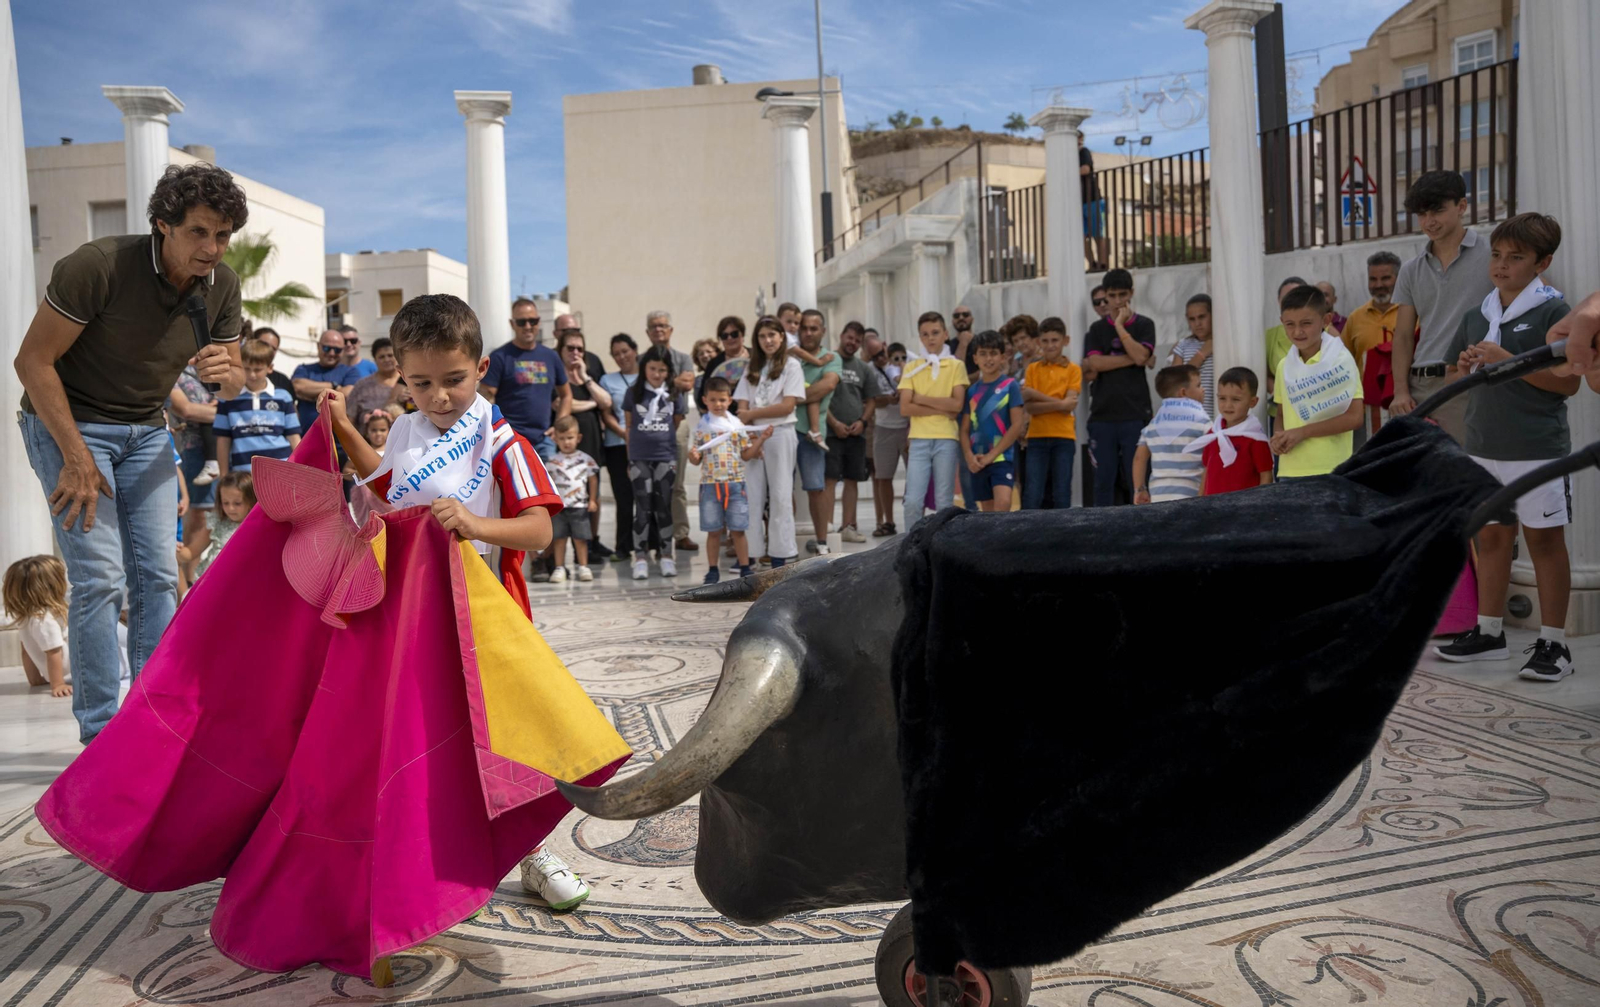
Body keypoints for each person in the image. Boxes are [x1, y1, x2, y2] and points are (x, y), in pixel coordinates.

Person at [321, 294, 593, 912]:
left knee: (508, 744)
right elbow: (387, 488)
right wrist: (340, 429)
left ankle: (534, 853)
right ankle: (422, 855)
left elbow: (539, 531)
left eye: (453, 380)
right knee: (426, 742)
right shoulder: (408, 433)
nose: (439, 396)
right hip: (418, 619)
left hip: (490, 620)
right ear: (400, 376)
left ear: (480, 367)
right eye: (421, 383)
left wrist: (476, 524)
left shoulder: (503, 441)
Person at [13, 162, 246, 742]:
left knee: (160, 575)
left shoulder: (223, 285)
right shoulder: (99, 266)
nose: (212, 248)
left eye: (222, 235)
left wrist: (230, 373)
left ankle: (151, 726)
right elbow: (32, 363)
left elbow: (235, 380)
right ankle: (100, 735)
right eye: (199, 231)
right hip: (68, 423)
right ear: (162, 224)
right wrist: (73, 454)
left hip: (145, 430)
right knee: (99, 579)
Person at [1433, 213, 1576, 683]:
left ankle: (1554, 643)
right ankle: (1489, 631)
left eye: (1516, 258)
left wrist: (1508, 362)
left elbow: (1568, 384)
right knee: (1491, 538)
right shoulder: (1481, 312)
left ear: (1543, 263)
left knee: (1544, 542)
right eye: (1497, 255)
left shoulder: (1556, 313)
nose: (1501, 265)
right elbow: (1460, 373)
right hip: (1482, 445)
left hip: (1536, 448)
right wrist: (1468, 363)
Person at [1389, 170, 1495, 441]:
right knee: (1420, 478)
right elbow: (1402, 336)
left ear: (1461, 206)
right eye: (1421, 214)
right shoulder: (1411, 270)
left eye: (1436, 211)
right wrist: (1400, 390)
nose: (1428, 221)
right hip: (1417, 389)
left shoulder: (1493, 255)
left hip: (1467, 383)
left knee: (1468, 476)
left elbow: (1535, 296)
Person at [1270, 285, 1364, 478]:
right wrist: (1278, 437)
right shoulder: (1284, 366)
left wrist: (1303, 432)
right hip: (1290, 470)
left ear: (1326, 320)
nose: (1297, 331)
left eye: (1306, 323)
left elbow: (1355, 417)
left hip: (1332, 468)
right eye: (1289, 324)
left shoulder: (1341, 361)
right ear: (1281, 322)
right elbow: (1281, 414)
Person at [733, 317, 805, 567]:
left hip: (780, 432)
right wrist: (751, 430)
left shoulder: (792, 365)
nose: (768, 340)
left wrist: (752, 416)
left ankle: (781, 553)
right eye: (763, 336)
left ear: (782, 337)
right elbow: (741, 404)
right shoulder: (751, 367)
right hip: (753, 436)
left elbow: (787, 405)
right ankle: (751, 553)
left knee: (781, 493)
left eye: (772, 335)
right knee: (751, 494)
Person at [689, 375, 772, 584]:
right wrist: (693, 456)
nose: (718, 404)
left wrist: (761, 439)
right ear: (705, 400)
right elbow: (696, 458)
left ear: (729, 400)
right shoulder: (702, 428)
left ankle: (745, 567)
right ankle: (713, 570)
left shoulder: (736, 426)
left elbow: (746, 454)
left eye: (722, 400)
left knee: (738, 529)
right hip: (710, 486)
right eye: (713, 399)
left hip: (735, 483)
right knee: (713, 531)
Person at [1083, 269, 1155, 506]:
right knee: (1103, 481)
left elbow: (1141, 354)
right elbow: (1094, 363)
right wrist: (1135, 358)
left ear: (1131, 293)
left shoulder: (1145, 324)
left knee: (1137, 480)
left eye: (1121, 295)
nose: (1116, 301)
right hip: (1103, 415)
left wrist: (1121, 328)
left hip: (1135, 413)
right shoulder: (1096, 330)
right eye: (1111, 296)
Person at [623, 345, 687, 580]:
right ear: (644, 368)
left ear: (668, 372)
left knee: (663, 507)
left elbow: (676, 422)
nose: (657, 374)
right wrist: (630, 458)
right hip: (639, 457)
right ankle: (640, 557)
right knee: (642, 507)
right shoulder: (633, 393)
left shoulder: (674, 393)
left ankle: (666, 556)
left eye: (662, 370)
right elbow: (629, 426)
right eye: (652, 368)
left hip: (665, 457)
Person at [899, 312, 969, 519]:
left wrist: (920, 398)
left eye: (935, 333)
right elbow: (905, 408)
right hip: (919, 439)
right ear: (920, 337)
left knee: (944, 502)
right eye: (925, 334)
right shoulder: (912, 367)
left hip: (946, 438)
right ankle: (910, 548)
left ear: (946, 334)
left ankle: (942, 548)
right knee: (912, 501)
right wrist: (941, 408)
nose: (931, 338)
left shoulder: (956, 365)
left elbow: (957, 404)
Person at [483, 297, 572, 461]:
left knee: (547, 486)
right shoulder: (500, 357)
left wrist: (559, 425)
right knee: (513, 487)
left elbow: (566, 395)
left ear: (539, 322)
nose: (528, 326)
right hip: (510, 440)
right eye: (522, 322)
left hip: (545, 441)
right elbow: (486, 399)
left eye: (533, 321)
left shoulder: (551, 357)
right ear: (512, 324)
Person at [644, 310, 698, 554]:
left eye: (663, 325)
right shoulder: (640, 360)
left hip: (677, 425)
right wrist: (672, 381)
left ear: (671, 330)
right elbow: (641, 388)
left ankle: (681, 533)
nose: (659, 330)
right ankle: (654, 538)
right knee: (650, 485)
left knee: (676, 484)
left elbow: (688, 383)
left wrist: (659, 379)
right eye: (654, 326)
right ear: (648, 332)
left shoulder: (683, 358)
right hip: (648, 425)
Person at [558, 329, 614, 560]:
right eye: (570, 348)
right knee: (566, 498)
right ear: (560, 350)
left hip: (591, 445)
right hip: (565, 448)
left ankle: (590, 543)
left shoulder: (587, 375)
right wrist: (593, 404)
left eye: (580, 348)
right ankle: (562, 551)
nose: (575, 352)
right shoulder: (558, 377)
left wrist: (585, 378)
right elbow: (561, 405)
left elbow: (607, 401)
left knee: (593, 496)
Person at [960, 330, 1028, 513]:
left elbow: (1016, 425)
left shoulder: (1010, 386)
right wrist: (969, 456)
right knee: (987, 515)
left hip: (1001, 458)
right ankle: (992, 543)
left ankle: (1005, 542)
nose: (988, 359)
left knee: (1003, 504)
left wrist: (993, 455)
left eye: (993, 353)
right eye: (983, 354)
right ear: (975, 358)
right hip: (978, 459)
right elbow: (965, 429)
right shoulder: (972, 392)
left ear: (1002, 356)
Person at [215, 339, 302, 476]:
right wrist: (223, 476)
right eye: (247, 369)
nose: (252, 375)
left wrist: (301, 471)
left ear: (270, 368)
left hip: (281, 472)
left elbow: (294, 437)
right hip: (243, 475)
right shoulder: (227, 399)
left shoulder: (283, 397)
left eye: (258, 369)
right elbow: (223, 441)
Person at [1019, 316, 1080, 510]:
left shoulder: (1073, 369)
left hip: (1064, 437)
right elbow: (1029, 408)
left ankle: (1062, 536)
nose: (1050, 345)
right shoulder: (1033, 369)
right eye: (1045, 341)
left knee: (1061, 491)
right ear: (1038, 342)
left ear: (1065, 341)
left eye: (1055, 340)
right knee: (1033, 492)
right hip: (1036, 437)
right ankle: (1029, 535)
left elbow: (1069, 406)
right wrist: (1060, 403)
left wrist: (1036, 395)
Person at [796, 309, 843, 555]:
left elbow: (828, 385)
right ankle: (781, 543)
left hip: (813, 433)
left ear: (823, 331)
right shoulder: (792, 356)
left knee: (817, 487)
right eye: (803, 328)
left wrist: (789, 399)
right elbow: (816, 391)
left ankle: (822, 542)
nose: (808, 332)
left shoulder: (832, 358)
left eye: (813, 328)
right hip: (784, 430)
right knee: (782, 488)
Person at [1185, 367, 1274, 496]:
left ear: (1253, 402)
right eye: (1222, 398)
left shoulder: (1256, 439)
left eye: (1236, 399)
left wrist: (1259, 506)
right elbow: (1207, 470)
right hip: (1212, 508)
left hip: (1244, 510)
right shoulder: (1213, 433)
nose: (1228, 405)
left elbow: (1266, 475)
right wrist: (1199, 502)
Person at [825, 320, 875, 542]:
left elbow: (872, 400)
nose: (852, 343)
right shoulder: (827, 361)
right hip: (830, 433)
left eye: (857, 340)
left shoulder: (863, 368)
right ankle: (826, 529)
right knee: (829, 480)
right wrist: (834, 423)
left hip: (856, 434)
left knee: (853, 480)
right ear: (841, 335)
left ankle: (848, 527)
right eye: (849, 337)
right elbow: (819, 398)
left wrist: (862, 422)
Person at [1133, 365, 1208, 504]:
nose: (1203, 389)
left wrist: (1139, 489)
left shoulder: (1153, 425)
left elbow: (1139, 458)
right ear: (1183, 392)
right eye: (1198, 385)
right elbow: (1210, 463)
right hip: (1192, 495)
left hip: (1158, 496)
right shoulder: (1204, 423)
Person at [4, 555, 72, 698]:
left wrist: (34, 679)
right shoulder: (45, 620)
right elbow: (54, 652)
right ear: (53, 586)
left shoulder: (26, 618)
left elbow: (26, 651)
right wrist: (58, 684)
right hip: (72, 666)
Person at [544, 416, 600, 584]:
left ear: (578, 438)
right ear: (555, 439)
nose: (566, 442)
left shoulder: (586, 459)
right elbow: (548, 483)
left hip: (579, 506)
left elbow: (592, 479)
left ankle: (583, 566)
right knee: (559, 538)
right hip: (559, 507)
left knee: (580, 538)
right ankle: (559, 567)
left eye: (570, 438)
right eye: (562, 439)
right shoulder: (553, 462)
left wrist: (592, 500)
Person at [599, 334, 641, 561]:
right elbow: (606, 414)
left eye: (625, 351)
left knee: (647, 498)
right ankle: (623, 547)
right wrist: (625, 432)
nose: (622, 356)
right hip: (617, 445)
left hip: (645, 446)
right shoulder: (608, 380)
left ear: (635, 350)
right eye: (616, 354)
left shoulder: (648, 376)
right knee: (624, 498)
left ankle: (649, 544)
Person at [869, 341, 909, 537]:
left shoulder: (905, 361)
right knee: (883, 476)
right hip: (884, 427)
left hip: (907, 426)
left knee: (915, 475)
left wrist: (902, 365)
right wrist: (888, 399)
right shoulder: (870, 370)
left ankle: (914, 518)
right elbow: (869, 399)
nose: (880, 358)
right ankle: (888, 521)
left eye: (882, 353)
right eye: (874, 356)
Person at [1342, 251, 1403, 375]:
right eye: (1373, 279)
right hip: (1366, 393)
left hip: (1404, 392)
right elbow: (1343, 363)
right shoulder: (1355, 318)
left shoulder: (1413, 314)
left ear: (1399, 278)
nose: (1379, 285)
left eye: (1385, 278)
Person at [292, 330, 359, 435]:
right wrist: (334, 386)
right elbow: (299, 387)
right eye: (327, 348)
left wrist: (311, 394)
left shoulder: (351, 372)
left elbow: (346, 394)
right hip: (307, 439)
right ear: (318, 346)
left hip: (339, 443)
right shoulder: (303, 369)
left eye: (337, 350)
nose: (332, 353)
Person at [193, 470, 255, 581]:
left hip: (243, 581)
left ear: (251, 501)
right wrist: (174, 548)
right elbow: (191, 551)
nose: (230, 508)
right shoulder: (217, 523)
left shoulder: (257, 528)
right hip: (214, 580)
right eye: (225, 503)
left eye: (237, 503)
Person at [1263, 276, 1308, 430]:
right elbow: (1262, 372)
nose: (1292, 302)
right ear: (1278, 301)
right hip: (1281, 415)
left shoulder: (1326, 332)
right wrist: (1278, 391)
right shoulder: (1269, 336)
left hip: (1318, 413)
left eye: (1297, 297)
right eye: (1286, 298)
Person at [1169, 293, 1215, 415]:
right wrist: (1202, 353)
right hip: (1190, 417)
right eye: (1192, 319)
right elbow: (1175, 382)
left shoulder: (1224, 343)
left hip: (1218, 418)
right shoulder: (1183, 345)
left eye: (1202, 317)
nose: (1197, 323)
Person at [703, 316, 753, 413]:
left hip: (755, 412)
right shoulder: (714, 364)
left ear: (742, 334)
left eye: (734, 334)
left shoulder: (756, 356)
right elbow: (704, 393)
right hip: (726, 417)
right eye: (724, 336)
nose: (730, 338)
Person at [347, 337, 404, 420]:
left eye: (390, 355)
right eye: (382, 357)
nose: (386, 359)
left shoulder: (408, 382)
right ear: (375, 359)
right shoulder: (362, 385)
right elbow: (350, 417)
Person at [1079, 131, 1108, 270]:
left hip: (1092, 200)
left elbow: (1085, 169)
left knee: (1097, 234)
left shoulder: (1083, 152)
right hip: (1079, 202)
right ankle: (1092, 264)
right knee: (1082, 237)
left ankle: (1102, 264)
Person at [553, 313, 607, 380]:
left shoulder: (593, 360)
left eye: (576, 331)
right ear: (555, 334)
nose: (571, 334)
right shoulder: (547, 358)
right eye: (567, 331)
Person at [251, 326, 294, 394]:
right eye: (265, 345)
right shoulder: (236, 375)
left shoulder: (283, 382)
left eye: (273, 349)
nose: (269, 350)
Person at [947, 305, 977, 377]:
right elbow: (954, 373)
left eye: (965, 315)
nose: (961, 318)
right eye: (956, 316)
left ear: (972, 319)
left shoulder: (982, 342)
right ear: (953, 321)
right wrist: (963, 343)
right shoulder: (947, 346)